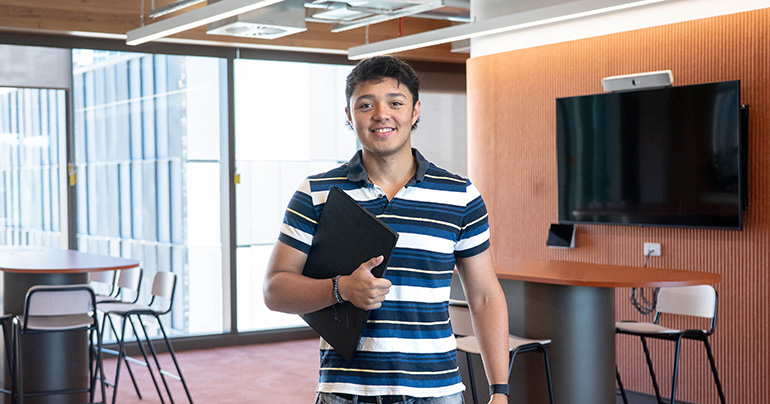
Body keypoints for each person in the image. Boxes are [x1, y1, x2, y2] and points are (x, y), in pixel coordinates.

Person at [264, 55, 510, 404]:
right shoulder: (316, 192)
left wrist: (499, 389)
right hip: (348, 393)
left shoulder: (459, 194)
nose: (381, 114)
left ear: (415, 111)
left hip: (436, 392)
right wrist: (341, 289)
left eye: (395, 102)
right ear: (349, 115)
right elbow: (275, 290)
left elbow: (485, 296)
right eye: (366, 104)